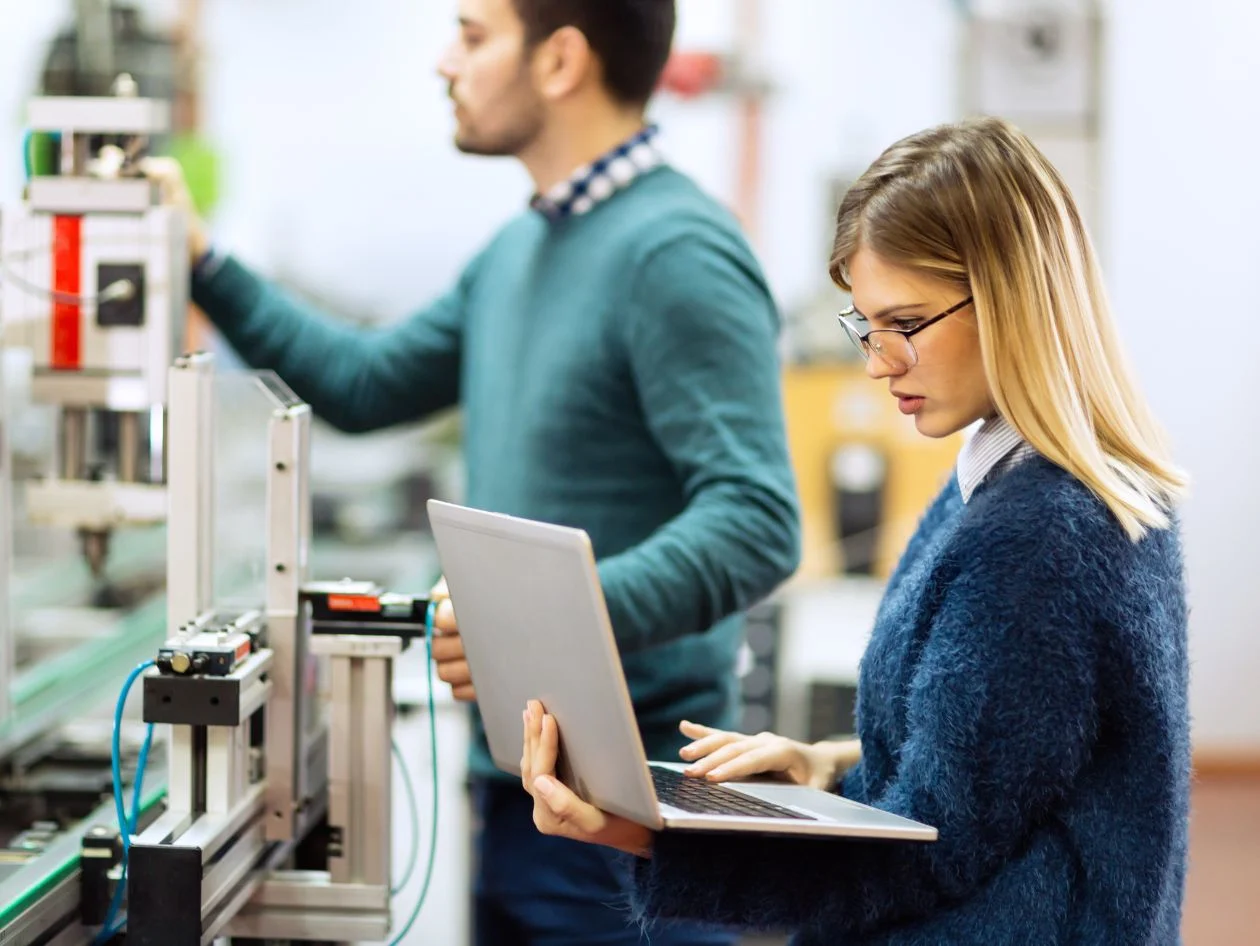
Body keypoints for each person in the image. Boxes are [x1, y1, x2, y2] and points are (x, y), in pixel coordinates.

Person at [146, 0, 800, 942]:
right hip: (518, 794)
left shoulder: (677, 252)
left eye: (474, 34)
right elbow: (363, 383)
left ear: (561, 60)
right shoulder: (519, 249)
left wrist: (529, 623)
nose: (445, 63)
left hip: (631, 823)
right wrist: (201, 256)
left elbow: (755, 519)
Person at [520, 115, 1192, 945]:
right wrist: (828, 763)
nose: (878, 361)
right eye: (865, 326)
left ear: (1013, 295)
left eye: (905, 324)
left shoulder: (1042, 538)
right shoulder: (1037, 486)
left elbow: (927, 856)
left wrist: (635, 834)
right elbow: (1006, 769)